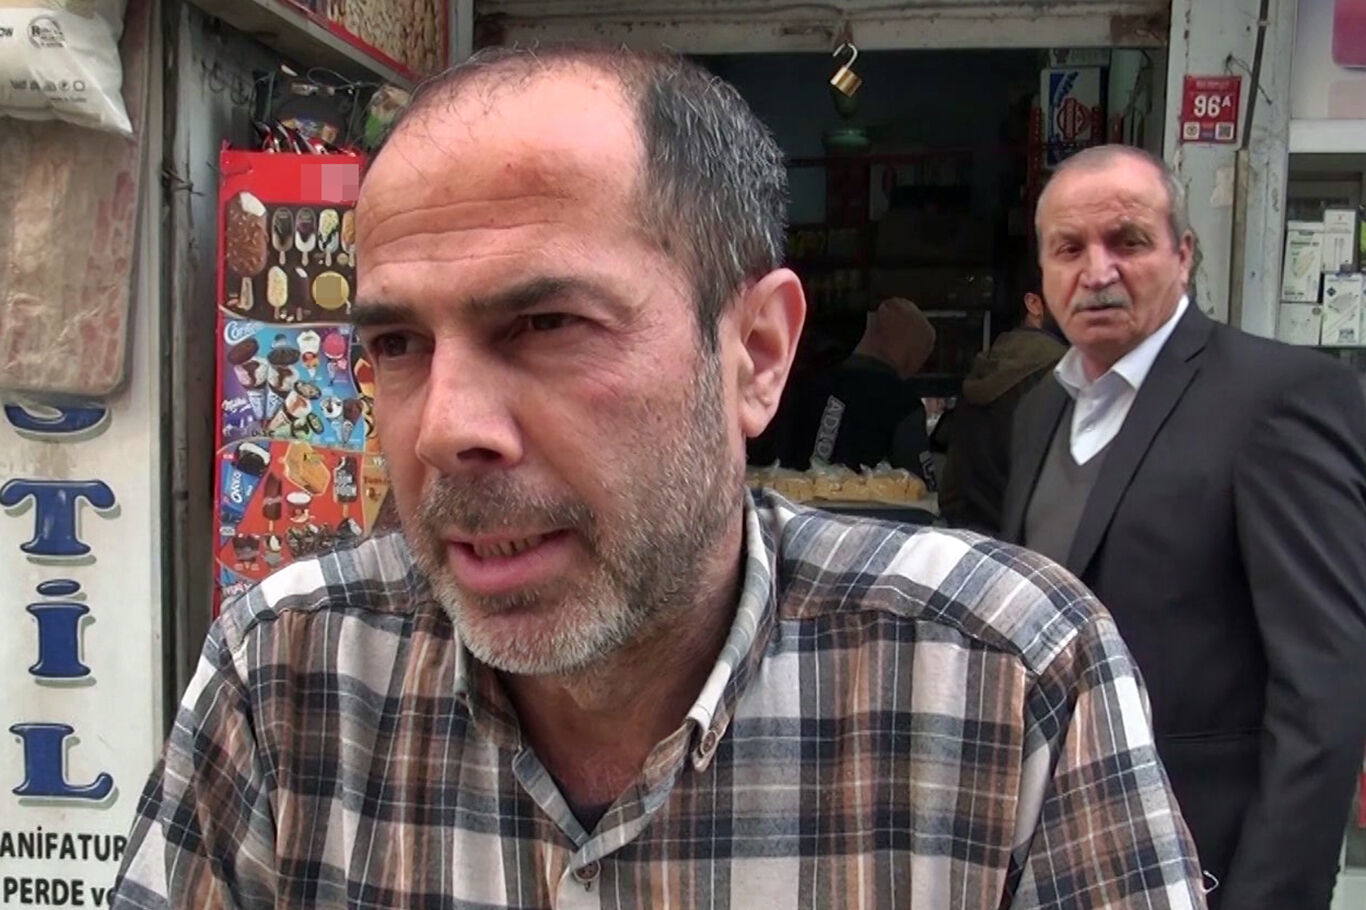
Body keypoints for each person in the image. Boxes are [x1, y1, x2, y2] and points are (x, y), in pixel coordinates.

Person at [112, 50, 1206, 909]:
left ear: (757, 354)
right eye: (398, 345)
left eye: (547, 324)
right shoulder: (288, 674)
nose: (446, 429)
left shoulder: (1006, 682)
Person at [1001, 143, 1366, 909]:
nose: (1097, 271)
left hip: (1208, 864)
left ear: (1184, 254)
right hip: (1059, 863)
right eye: (1069, 248)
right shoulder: (1040, 412)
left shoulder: (1277, 399)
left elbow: (1326, 689)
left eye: (1127, 241)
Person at [938, 264, 1066, 532]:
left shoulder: (986, 365)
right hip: (1028, 541)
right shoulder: (1060, 373)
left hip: (969, 535)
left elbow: (951, 485)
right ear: (1034, 304)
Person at [768, 296, 937, 480]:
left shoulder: (806, 382)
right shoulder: (903, 403)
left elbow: (777, 453)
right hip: (867, 498)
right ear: (910, 354)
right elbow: (918, 482)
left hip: (790, 495)